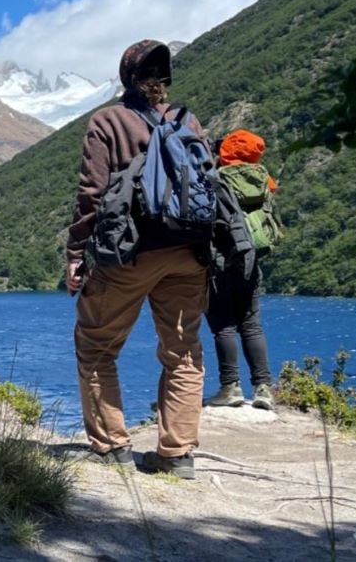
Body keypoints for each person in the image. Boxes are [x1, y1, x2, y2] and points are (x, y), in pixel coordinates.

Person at [65, 40, 209, 480]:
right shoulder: (187, 120)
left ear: (126, 77)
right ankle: (176, 455)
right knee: (183, 353)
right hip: (190, 252)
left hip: (130, 253)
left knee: (96, 347)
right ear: (165, 80)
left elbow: (92, 194)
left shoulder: (108, 120)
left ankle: (111, 447)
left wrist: (76, 253)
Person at [206, 130, 279, 410]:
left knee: (224, 326)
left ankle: (230, 388)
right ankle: (263, 388)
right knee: (251, 324)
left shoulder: (216, 178)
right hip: (252, 260)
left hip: (220, 260)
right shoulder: (262, 179)